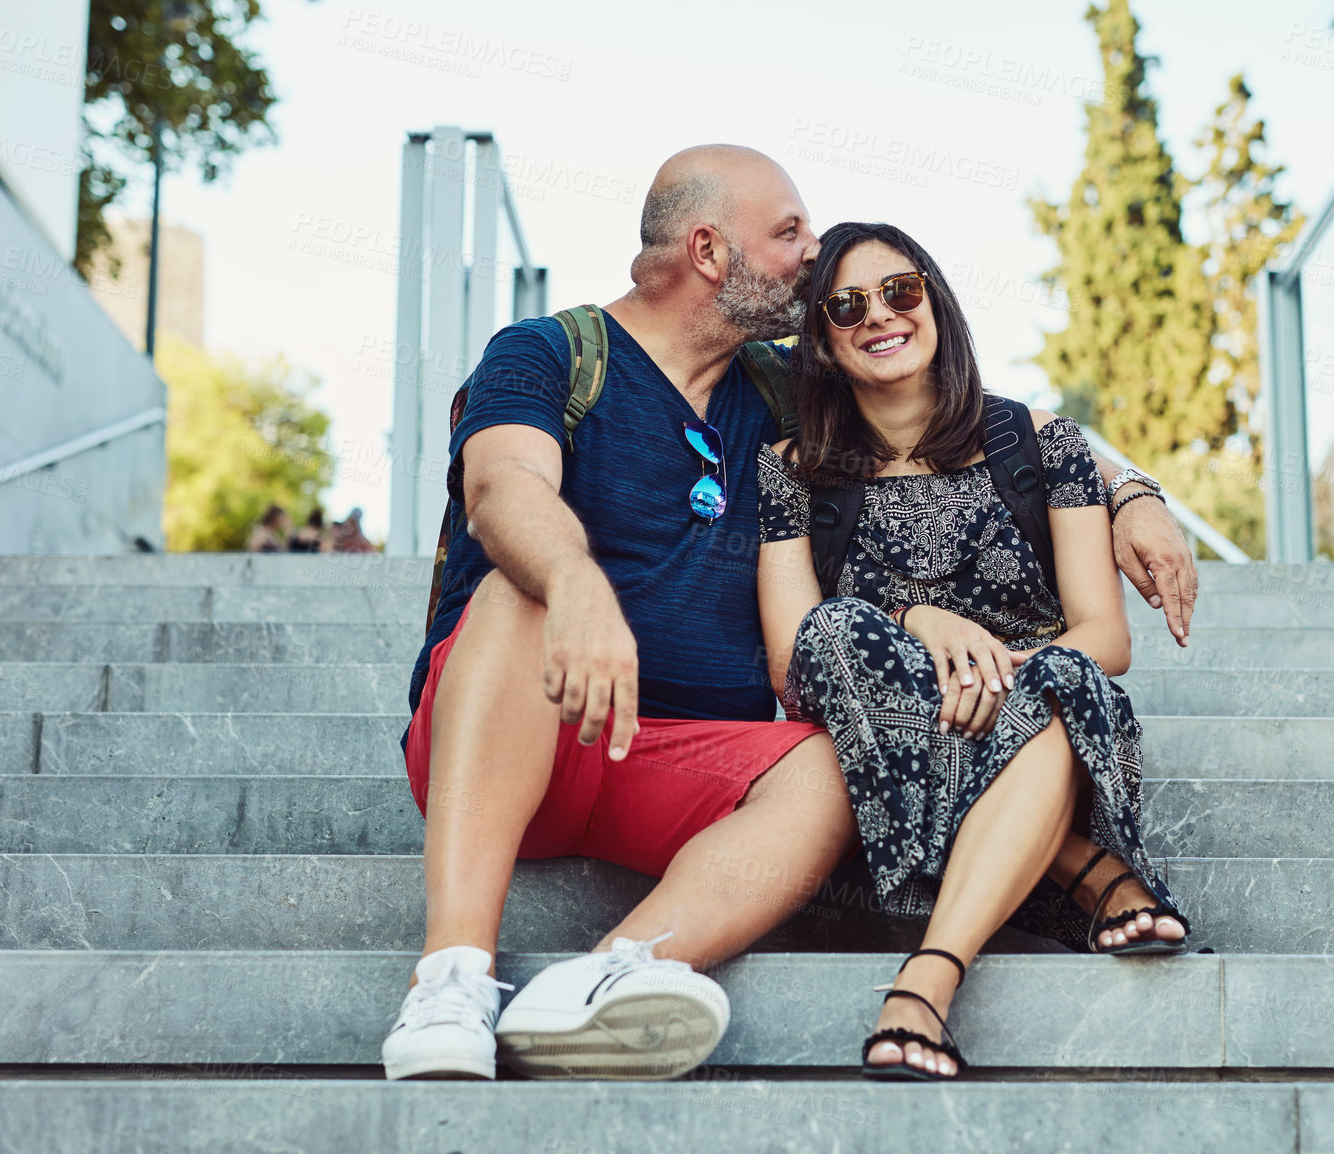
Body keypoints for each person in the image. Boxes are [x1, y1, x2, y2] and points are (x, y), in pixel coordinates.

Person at [382, 147, 1202, 1084]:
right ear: (709, 250)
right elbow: (503, 484)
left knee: (824, 764)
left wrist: (1133, 491)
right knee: (518, 592)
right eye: (790, 233)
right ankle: (450, 978)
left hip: (683, 761)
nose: (816, 257)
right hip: (517, 725)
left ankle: (612, 978)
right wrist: (573, 581)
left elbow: (965, 411)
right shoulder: (552, 353)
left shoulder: (776, 387)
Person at [755, 222, 1190, 1082]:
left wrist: (995, 674)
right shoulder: (790, 469)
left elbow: (1104, 637)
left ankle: (927, 980)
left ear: (936, 302)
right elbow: (793, 664)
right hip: (887, 722)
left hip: (1042, 710)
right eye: (847, 305)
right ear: (822, 340)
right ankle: (1083, 867)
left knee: (1066, 673)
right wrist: (918, 620)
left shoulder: (1047, 446)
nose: (880, 315)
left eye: (901, 291)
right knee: (837, 633)